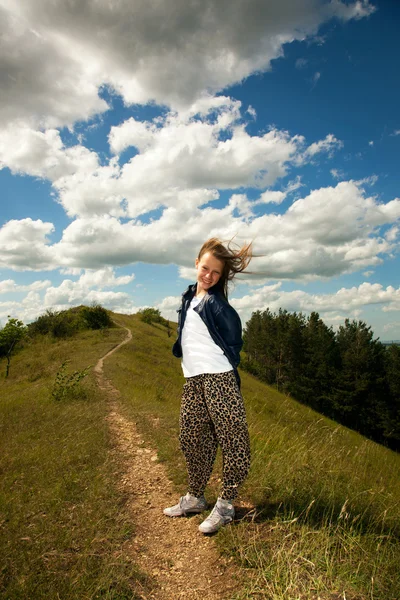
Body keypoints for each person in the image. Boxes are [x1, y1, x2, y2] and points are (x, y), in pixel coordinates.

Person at [163, 237, 252, 534]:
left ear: (221, 275)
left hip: (219, 380)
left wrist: (221, 368)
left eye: (215, 272)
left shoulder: (219, 305)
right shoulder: (190, 297)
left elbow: (234, 344)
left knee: (234, 442)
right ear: (196, 264)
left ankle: (225, 505)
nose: (208, 276)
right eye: (205, 268)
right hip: (193, 380)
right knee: (191, 438)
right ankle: (196, 497)